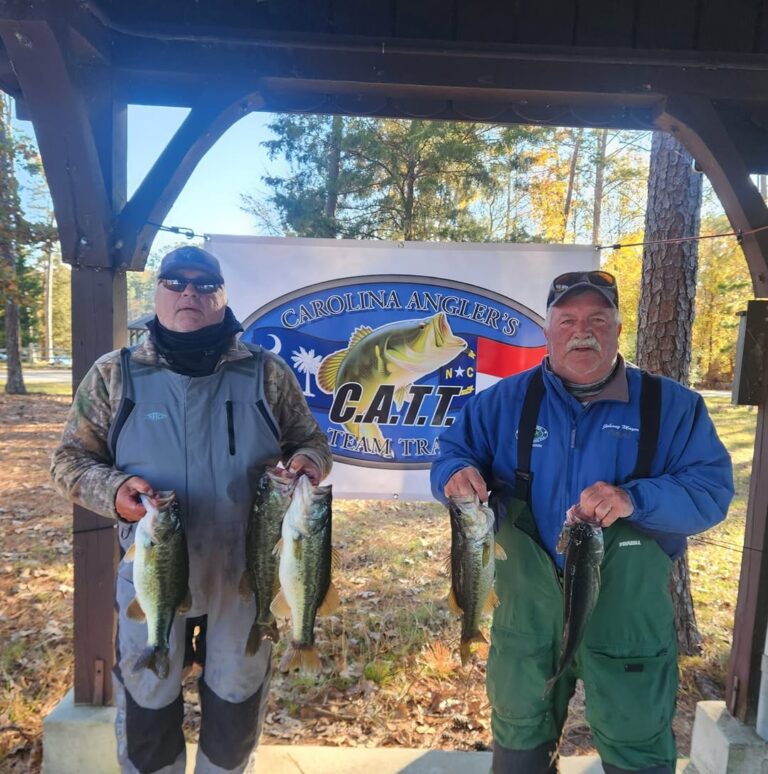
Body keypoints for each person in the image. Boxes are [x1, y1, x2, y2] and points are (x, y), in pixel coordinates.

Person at [430, 270, 734, 774]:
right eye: (567, 319)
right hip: (525, 617)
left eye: (598, 318)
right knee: (520, 744)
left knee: (637, 748)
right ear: (548, 332)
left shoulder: (673, 407)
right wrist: (454, 473)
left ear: (618, 329)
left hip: (627, 619)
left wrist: (635, 499)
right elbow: (452, 453)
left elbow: (712, 493)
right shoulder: (502, 403)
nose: (582, 330)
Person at [51, 245, 332, 774]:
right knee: (147, 695)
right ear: (156, 292)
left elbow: (312, 441)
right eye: (176, 281)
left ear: (223, 296)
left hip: (245, 571)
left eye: (205, 284)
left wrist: (306, 465)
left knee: (235, 696)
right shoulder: (117, 375)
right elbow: (68, 462)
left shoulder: (265, 373)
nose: (189, 293)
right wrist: (112, 491)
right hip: (152, 569)